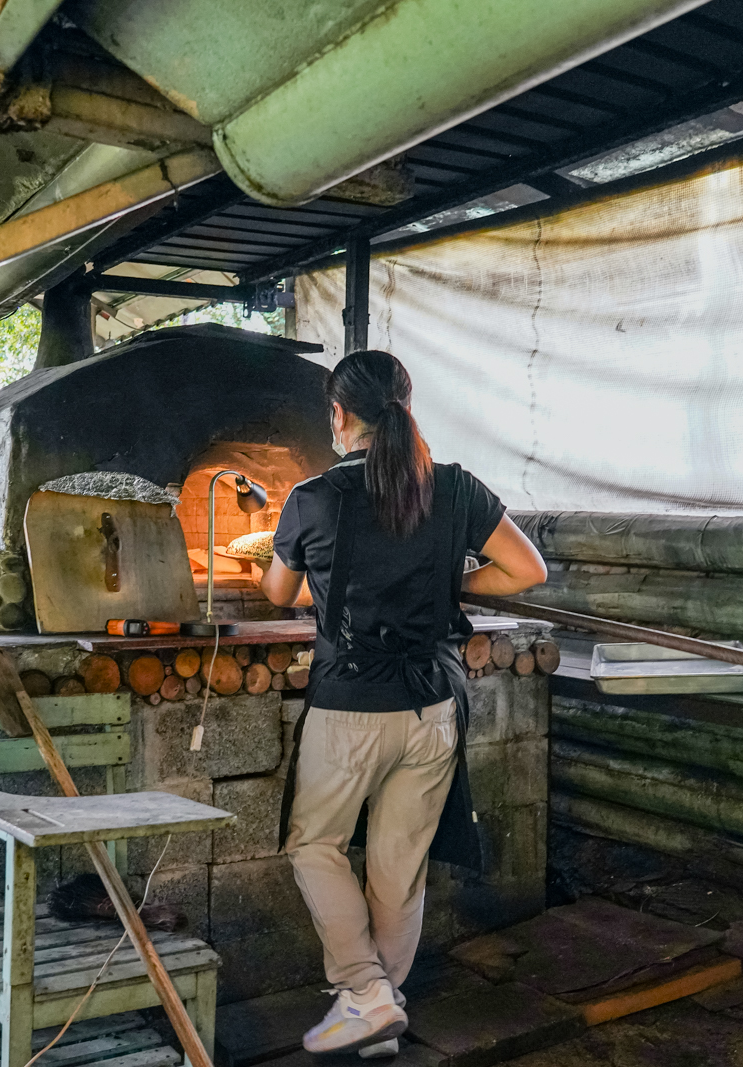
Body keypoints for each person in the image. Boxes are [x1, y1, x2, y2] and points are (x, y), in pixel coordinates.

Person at [261, 350, 548, 1057]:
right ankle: (381, 1020)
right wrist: (456, 579)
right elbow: (528, 569)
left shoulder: (314, 496)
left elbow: (276, 593)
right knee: (399, 868)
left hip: (351, 705)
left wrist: (318, 580)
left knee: (314, 843)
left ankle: (363, 991)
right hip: (430, 706)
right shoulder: (453, 489)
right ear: (406, 405)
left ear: (339, 415)